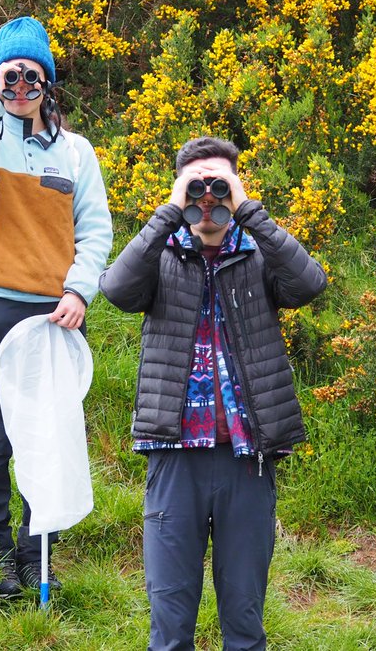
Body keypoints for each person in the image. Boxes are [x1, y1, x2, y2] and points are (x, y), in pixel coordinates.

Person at [99, 137, 327, 650]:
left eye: (218, 186)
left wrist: (247, 210)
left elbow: (310, 284)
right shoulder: (161, 255)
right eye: (196, 187)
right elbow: (115, 289)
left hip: (247, 458)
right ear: (179, 190)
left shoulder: (258, 256)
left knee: (244, 623)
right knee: (170, 621)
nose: (208, 198)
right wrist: (168, 212)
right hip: (174, 455)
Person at [0, 15, 113, 600]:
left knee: (49, 434)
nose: (20, 87)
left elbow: (95, 231)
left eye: (31, 76)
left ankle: (38, 552)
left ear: (50, 83)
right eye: (10, 76)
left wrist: (78, 291)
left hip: (51, 314)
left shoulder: (77, 153)